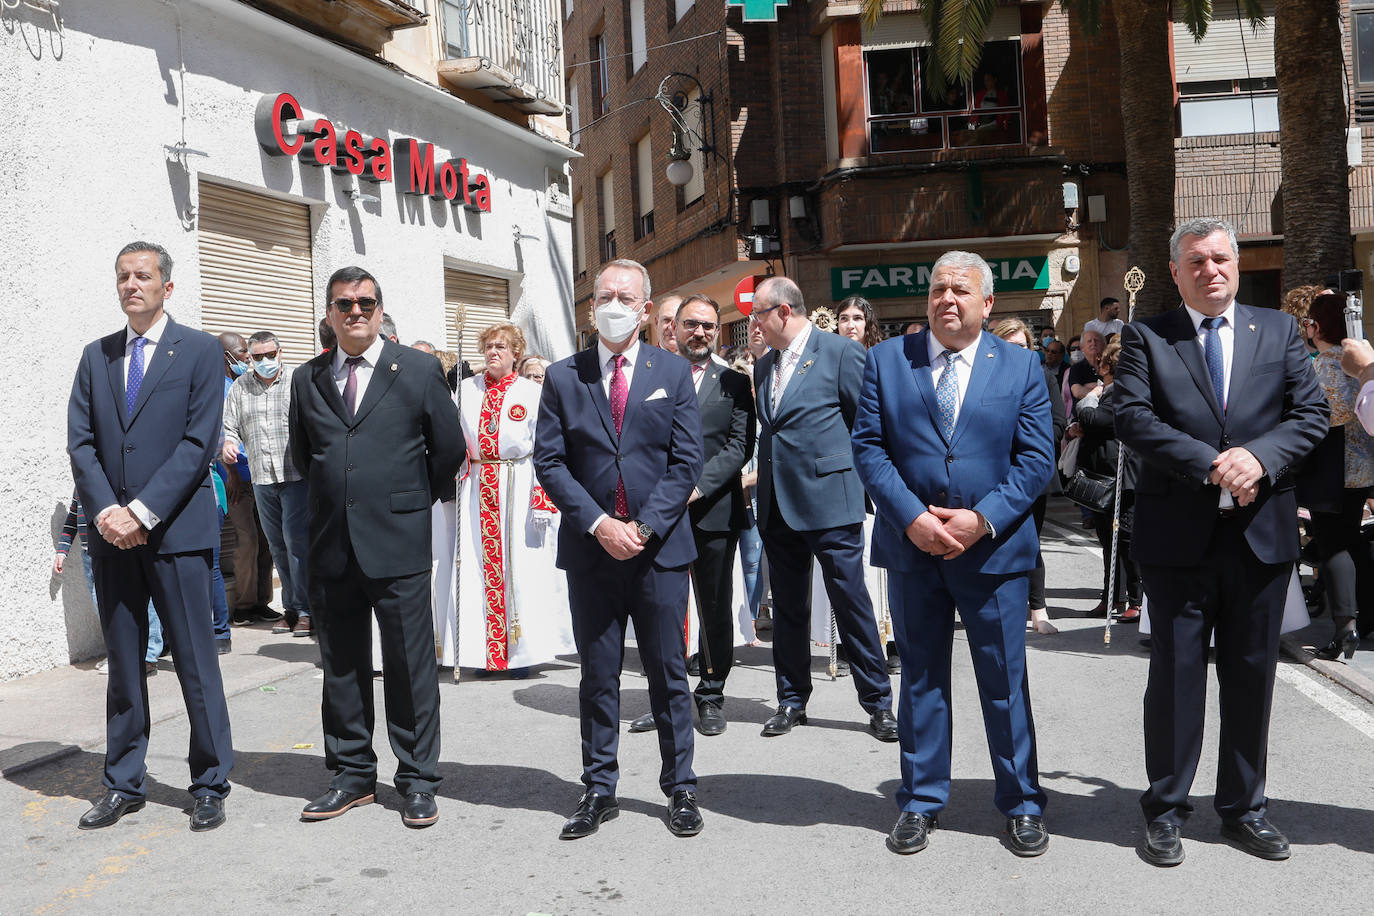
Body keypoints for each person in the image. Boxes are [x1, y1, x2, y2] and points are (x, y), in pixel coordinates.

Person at [1114, 217, 1327, 867]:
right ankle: (1167, 809)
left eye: (1220, 259)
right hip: (1178, 536)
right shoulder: (1147, 336)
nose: (1210, 270)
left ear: (1237, 265)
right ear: (1176, 273)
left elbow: (1311, 415)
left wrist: (1257, 460)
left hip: (1261, 536)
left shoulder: (1280, 332)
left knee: (1251, 678)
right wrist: (1211, 462)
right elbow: (1132, 418)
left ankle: (1243, 808)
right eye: (1195, 262)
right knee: (1176, 679)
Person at [852, 250, 1054, 858]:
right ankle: (919, 800)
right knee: (920, 679)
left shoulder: (1020, 366)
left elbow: (1036, 459)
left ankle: (1021, 802)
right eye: (939, 288)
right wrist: (910, 517)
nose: (947, 299)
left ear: (987, 304)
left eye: (961, 290)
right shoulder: (888, 361)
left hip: (991, 555)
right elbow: (868, 447)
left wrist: (982, 518)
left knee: (1004, 682)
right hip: (913, 550)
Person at [533, 258, 705, 840]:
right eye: (604, 294)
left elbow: (686, 464)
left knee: (667, 673)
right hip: (592, 551)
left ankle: (679, 786)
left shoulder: (673, 373)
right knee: (598, 674)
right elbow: (550, 463)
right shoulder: (563, 376)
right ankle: (598, 786)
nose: (613, 303)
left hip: (659, 552)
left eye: (625, 296)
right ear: (591, 307)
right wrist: (600, 524)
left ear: (645, 309)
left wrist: (646, 528)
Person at [67, 241, 234, 832]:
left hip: (176, 535)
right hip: (112, 536)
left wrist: (141, 511)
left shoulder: (199, 351)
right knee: (124, 665)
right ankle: (122, 782)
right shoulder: (97, 355)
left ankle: (210, 782)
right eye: (123, 276)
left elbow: (198, 443)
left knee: (194, 662)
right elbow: (81, 443)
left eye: (143, 275)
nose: (132, 284)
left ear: (167, 286)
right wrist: (110, 512)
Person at [289, 266, 462, 828]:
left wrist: (411, 502)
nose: (355, 312)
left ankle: (416, 780)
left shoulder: (415, 369)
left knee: (410, 666)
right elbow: (301, 455)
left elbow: (449, 448)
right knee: (341, 665)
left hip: (398, 543)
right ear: (330, 313)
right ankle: (352, 775)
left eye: (365, 302)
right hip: (331, 544)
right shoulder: (306, 377)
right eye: (344, 304)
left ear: (380, 310)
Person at [750, 276, 897, 742]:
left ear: (784, 312)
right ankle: (792, 699)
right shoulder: (762, 366)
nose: (752, 322)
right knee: (789, 610)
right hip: (778, 506)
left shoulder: (840, 353)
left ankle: (878, 703)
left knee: (851, 603)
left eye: (757, 313)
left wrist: (872, 491)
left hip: (831, 501)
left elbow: (867, 425)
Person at [650, 294, 756, 734]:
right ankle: (665, 696)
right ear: (673, 327)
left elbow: (739, 445)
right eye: (691, 324)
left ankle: (711, 692)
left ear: (717, 331)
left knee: (713, 605)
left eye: (708, 326)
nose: (700, 333)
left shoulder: (733, 382)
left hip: (713, 510)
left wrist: (696, 487)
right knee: (659, 605)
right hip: (657, 511)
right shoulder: (649, 375)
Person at [444, 323, 573, 675]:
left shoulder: (531, 393)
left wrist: (543, 499)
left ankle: (521, 654)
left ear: (516, 352)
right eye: (487, 346)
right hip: (476, 489)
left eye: (501, 346)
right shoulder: (465, 390)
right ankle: (482, 653)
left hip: (518, 484)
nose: (492, 353)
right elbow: (452, 439)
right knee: (475, 569)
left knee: (520, 571)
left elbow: (548, 450)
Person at [817, 295, 900, 672]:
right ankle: (851, 644)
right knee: (853, 567)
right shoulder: (825, 359)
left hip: (880, 466)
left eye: (857, 318)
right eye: (843, 317)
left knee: (882, 561)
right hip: (843, 471)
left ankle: (892, 640)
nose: (850, 324)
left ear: (869, 323)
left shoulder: (882, 359)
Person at [1291, 293, 1374, 659]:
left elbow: (1330, 414)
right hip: (1361, 469)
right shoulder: (1361, 362)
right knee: (1354, 543)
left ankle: (1345, 629)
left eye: (1308, 323)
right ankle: (1366, 618)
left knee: (1333, 546)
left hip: (1333, 471)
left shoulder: (1324, 366)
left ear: (1317, 327)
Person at [223, 331, 312, 637]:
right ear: (249, 357)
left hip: (296, 476)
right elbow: (229, 426)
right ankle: (290, 608)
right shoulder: (240, 387)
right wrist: (229, 444)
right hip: (262, 478)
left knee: (296, 542)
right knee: (276, 545)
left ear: (280, 351)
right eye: (257, 357)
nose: (264, 362)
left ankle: (306, 610)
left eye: (269, 355)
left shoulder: (298, 381)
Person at [993, 318, 1066, 634]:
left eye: (1022, 346)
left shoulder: (1044, 377)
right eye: (1009, 346)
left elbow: (1057, 424)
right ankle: (996, 607)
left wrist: (1025, 441)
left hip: (1031, 473)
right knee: (992, 542)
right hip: (993, 473)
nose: (1016, 352)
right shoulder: (984, 380)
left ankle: (1038, 609)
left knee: (1029, 541)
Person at [54, 489, 165, 672]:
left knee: (140, 602)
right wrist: (62, 551)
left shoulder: (107, 478)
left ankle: (148, 656)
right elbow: (73, 517)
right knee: (102, 604)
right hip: (88, 553)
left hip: (115, 550)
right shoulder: (82, 484)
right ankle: (121, 653)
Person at [1074, 340, 1142, 621]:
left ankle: (1136, 602)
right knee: (1108, 541)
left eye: (1101, 362)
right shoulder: (1110, 393)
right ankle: (1110, 598)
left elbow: (1094, 418)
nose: (1096, 365)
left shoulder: (1121, 394)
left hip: (1120, 477)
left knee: (1126, 541)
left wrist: (1091, 398)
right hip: (1102, 475)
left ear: (1107, 367)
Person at [217, 332, 278, 628]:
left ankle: (261, 602)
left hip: (260, 476)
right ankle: (241, 605)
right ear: (226, 356)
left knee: (266, 541)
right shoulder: (219, 389)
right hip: (236, 479)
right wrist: (230, 474)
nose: (247, 356)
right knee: (248, 539)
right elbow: (219, 437)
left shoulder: (246, 384)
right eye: (242, 351)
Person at [1068, 329, 1105, 404]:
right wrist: (1103, 389)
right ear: (1082, 348)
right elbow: (1077, 392)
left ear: (1104, 345)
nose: (1093, 343)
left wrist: (1088, 387)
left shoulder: (1109, 366)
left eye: (1096, 340)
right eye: (1089, 341)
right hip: (1085, 413)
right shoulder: (1077, 368)